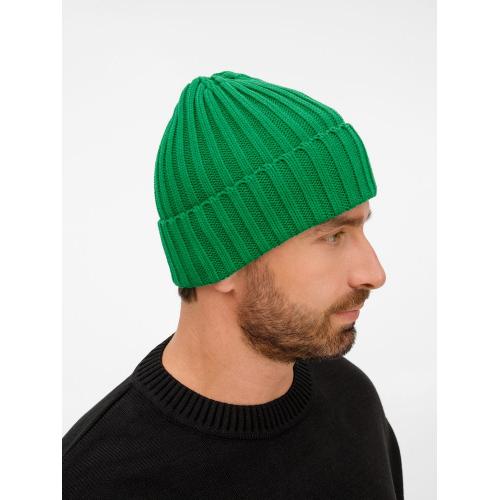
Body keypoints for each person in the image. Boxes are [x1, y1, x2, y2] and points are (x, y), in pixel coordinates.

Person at [63, 70, 404, 499]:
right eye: (333, 236)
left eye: (362, 228)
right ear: (222, 260)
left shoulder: (352, 400)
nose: (374, 273)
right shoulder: (91, 480)